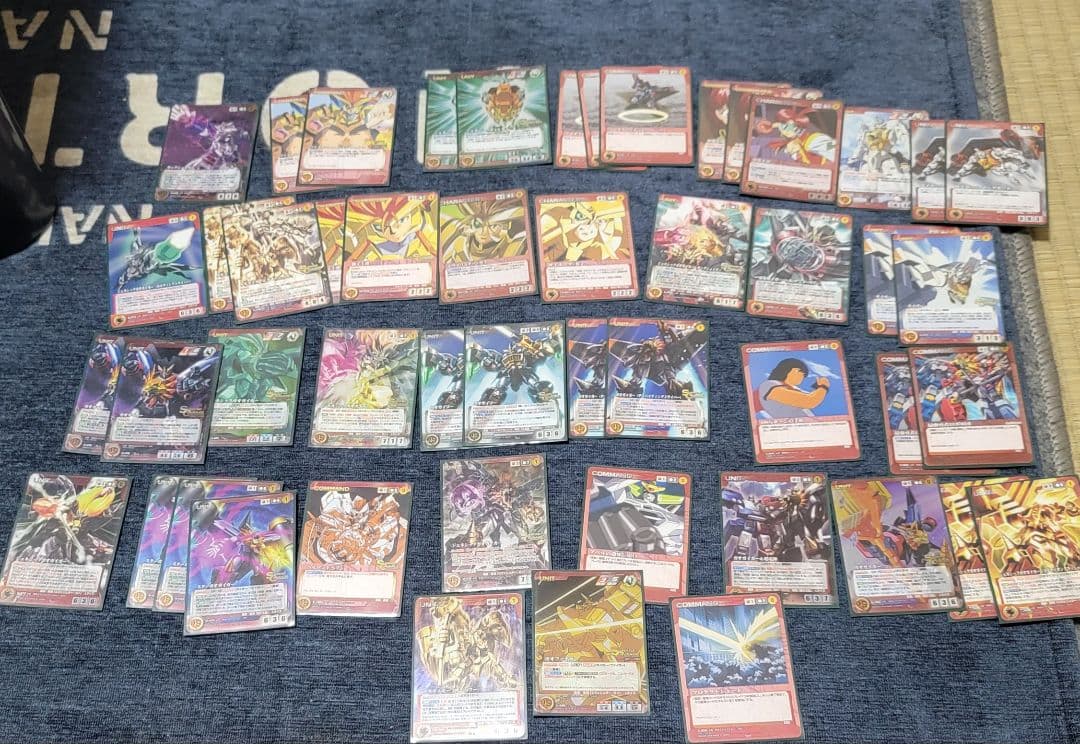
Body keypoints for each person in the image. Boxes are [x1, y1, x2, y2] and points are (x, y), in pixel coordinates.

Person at [757, 358, 830, 418]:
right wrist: (823, 386)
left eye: (804, 374)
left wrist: (818, 388)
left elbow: (811, 396)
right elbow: (809, 401)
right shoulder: (769, 384)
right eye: (799, 371)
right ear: (785, 369)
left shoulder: (793, 388)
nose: (802, 375)